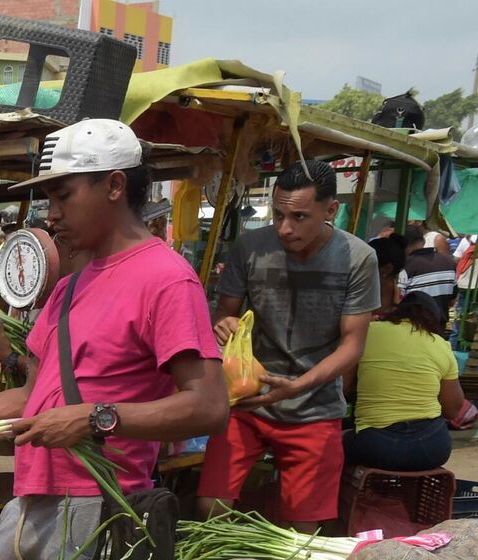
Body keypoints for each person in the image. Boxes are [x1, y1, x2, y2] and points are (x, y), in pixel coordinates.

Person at [0, 118, 227, 560]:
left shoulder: (166, 279)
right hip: (29, 501)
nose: (51, 214)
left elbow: (209, 405)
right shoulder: (68, 289)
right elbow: (30, 398)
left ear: (113, 185)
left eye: (63, 196)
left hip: (97, 509)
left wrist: (95, 418)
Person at [201, 160, 378, 533]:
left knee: (303, 527)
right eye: (279, 214)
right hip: (247, 398)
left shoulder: (358, 258)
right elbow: (224, 313)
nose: (285, 228)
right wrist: (225, 324)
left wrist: (299, 386)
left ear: (331, 210)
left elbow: (352, 345)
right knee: (210, 506)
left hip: (315, 407)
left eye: (299, 216)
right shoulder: (250, 247)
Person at [346, 292, 473, 471]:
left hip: (375, 446)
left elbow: (343, 386)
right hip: (431, 447)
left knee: (336, 444)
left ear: (398, 312)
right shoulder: (441, 345)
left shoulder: (369, 333)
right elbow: (452, 410)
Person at [402, 226, 456, 318]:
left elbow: (398, 301)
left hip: (413, 325)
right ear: (423, 241)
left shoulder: (405, 266)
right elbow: (452, 301)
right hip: (439, 325)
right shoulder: (449, 262)